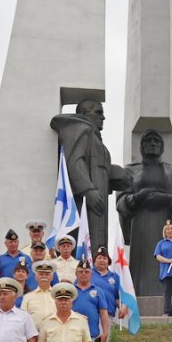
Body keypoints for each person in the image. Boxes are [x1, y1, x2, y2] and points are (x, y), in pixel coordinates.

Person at [51, 99, 130, 249]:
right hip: (86, 201)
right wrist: (87, 190)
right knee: (86, 241)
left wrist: (116, 175)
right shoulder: (80, 129)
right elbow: (74, 161)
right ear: (83, 114)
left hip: (98, 201)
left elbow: (96, 168)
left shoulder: (97, 141)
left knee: (98, 243)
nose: (103, 117)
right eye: (98, 112)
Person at [117, 129, 172, 295]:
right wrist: (137, 198)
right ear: (141, 147)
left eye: (156, 141)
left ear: (162, 147)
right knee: (143, 266)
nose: (152, 144)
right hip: (141, 226)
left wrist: (167, 199)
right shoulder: (130, 171)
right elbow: (121, 202)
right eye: (148, 141)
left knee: (167, 265)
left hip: (166, 224)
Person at [92, 246, 125, 342]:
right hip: (91, 313)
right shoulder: (88, 273)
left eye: (104, 258)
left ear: (109, 261)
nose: (101, 260)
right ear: (94, 260)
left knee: (103, 340)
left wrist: (123, 307)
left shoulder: (114, 277)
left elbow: (118, 297)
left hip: (107, 314)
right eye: (99, 258)